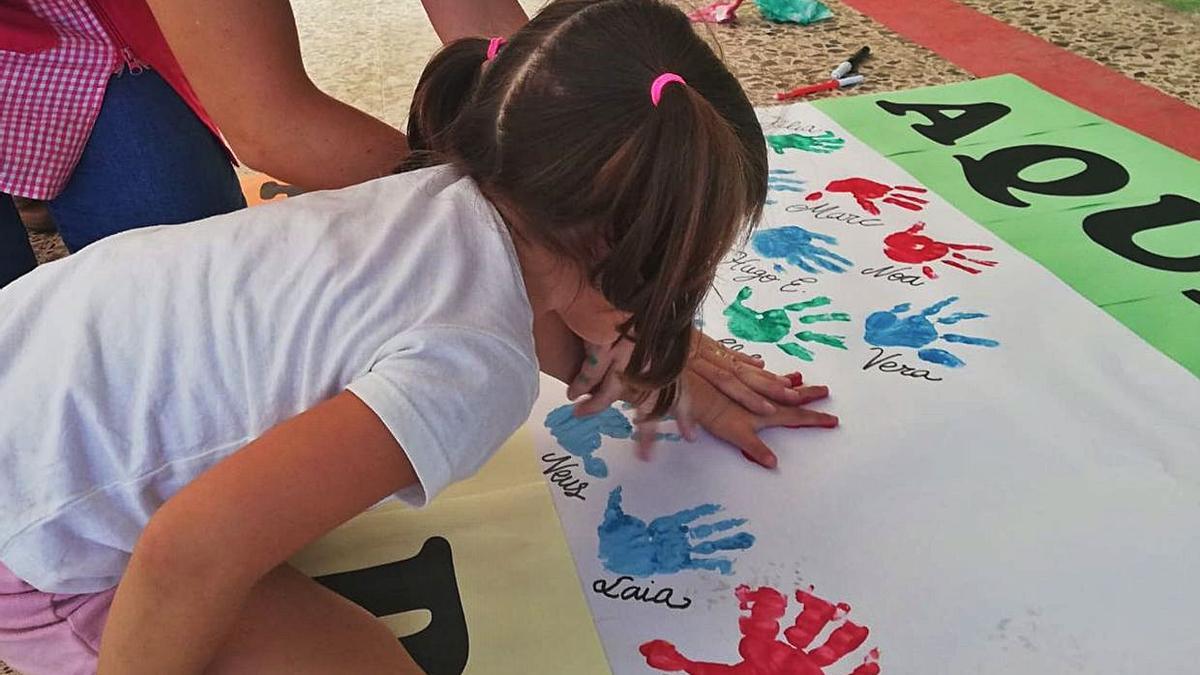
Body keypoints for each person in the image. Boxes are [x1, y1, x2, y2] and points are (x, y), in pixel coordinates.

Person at [0, 1, 838, 672]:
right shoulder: (473, 366)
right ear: (639, 260)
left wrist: (655, 366)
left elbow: (554, 326)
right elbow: (184, 555)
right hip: (34, 540)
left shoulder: (436, 190)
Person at [0, 0, 528, 288]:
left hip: (85, 20)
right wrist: (509, 222)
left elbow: (491, 36)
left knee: (194, 261)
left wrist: (549, 148)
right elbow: (271, 121)